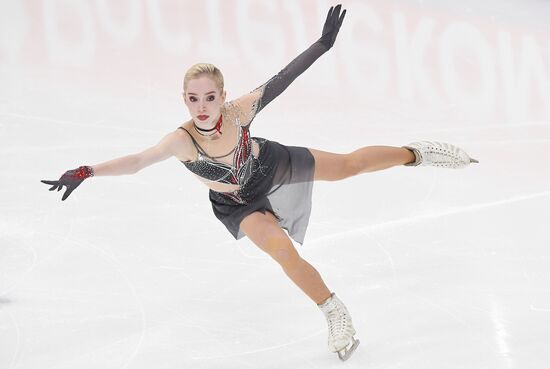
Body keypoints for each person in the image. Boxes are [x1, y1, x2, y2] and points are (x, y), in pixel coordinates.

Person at [41, 4, 477, 361]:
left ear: (223, 95)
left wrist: (322, 45)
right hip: (238, 204)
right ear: (184, 99)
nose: (203, 106)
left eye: (210, 96)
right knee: (282, 251)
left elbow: (283, 79)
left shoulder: (239, 111)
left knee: (347, 166)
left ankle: (417, 154)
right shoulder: (180, 140)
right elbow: (138, 161)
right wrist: (88, 170)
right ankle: (334, 311)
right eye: (193, 98)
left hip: (271, 163)